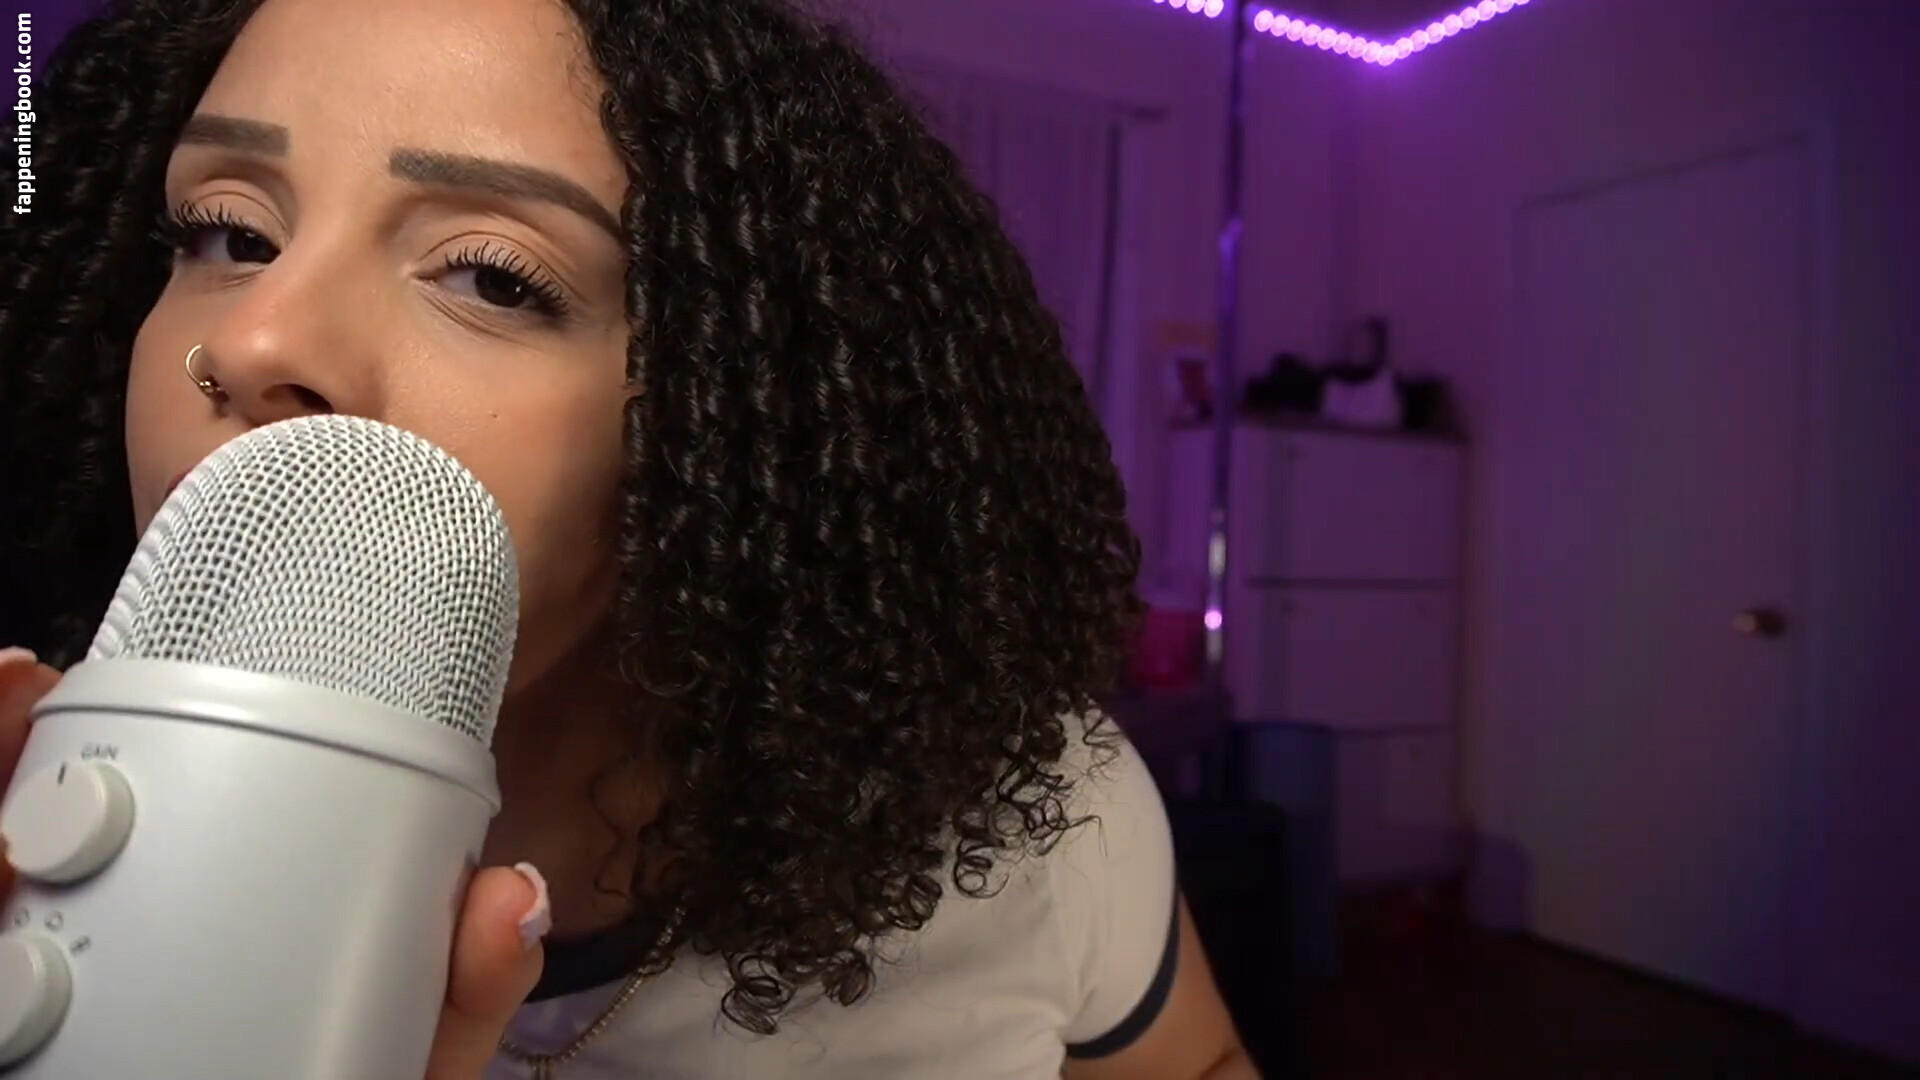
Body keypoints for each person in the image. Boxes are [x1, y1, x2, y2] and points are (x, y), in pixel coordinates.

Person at [0, 0, 1261, 1077]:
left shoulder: (1032, 824)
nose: (256, 338)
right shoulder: (36, 837)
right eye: (227, 233)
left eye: (493, 276)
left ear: (732, 412)